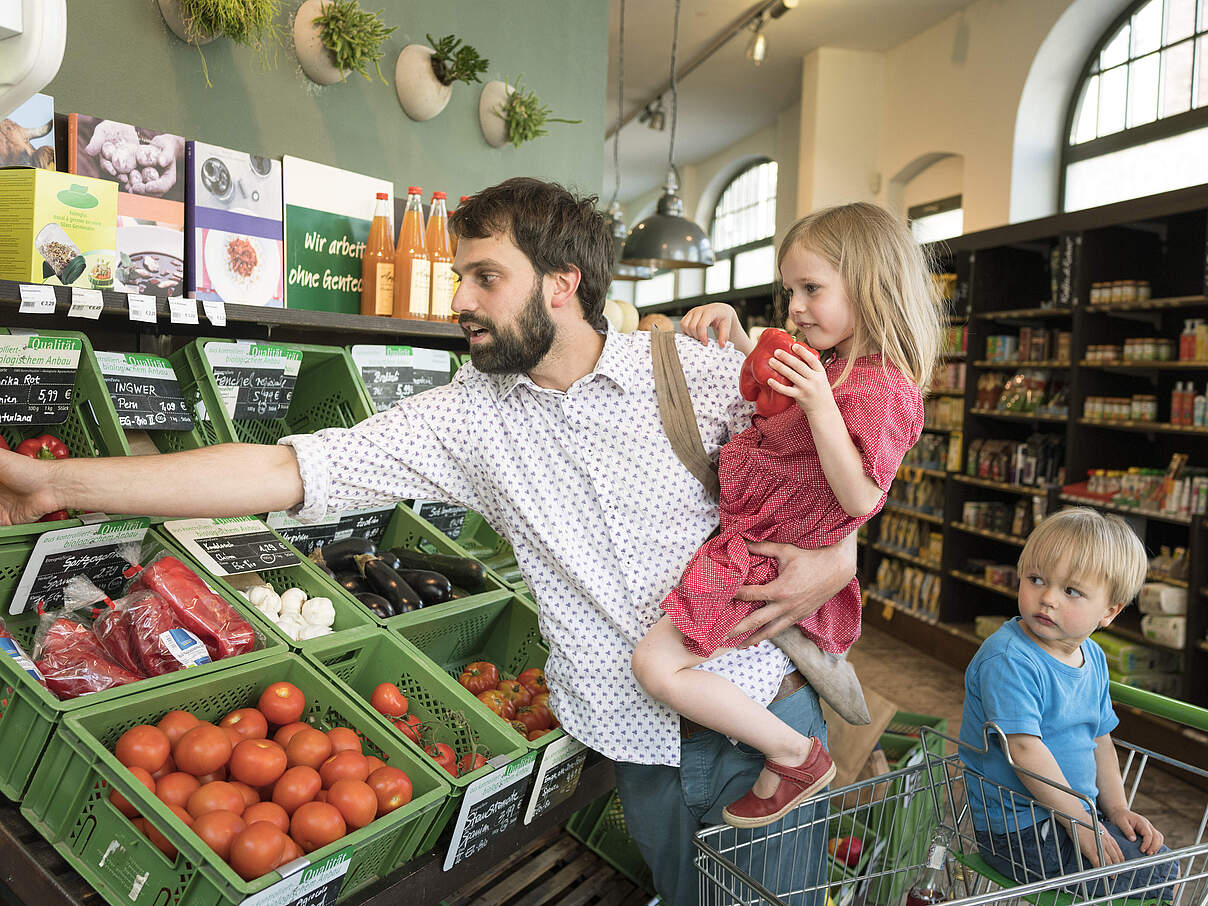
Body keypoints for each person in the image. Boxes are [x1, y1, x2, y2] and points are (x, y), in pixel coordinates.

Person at [0, 177, 854, 906]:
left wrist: (838, 558)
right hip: (638, 752)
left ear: (563, 282)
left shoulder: (696, 374)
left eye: (486, 277)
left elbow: (851, 463)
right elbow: (285, 469)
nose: (458, 302)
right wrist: (57, 483)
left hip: (763, 720)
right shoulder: (469, 419)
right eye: (459, 276)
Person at [631, 202, 941, 829]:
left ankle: (793, 753)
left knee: (654, 667)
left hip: (759, 555)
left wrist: (824, 405)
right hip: (757, 540)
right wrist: (743, 339)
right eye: (789, 290)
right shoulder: (830, 364)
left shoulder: (882, 387)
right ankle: (788, 755)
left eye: (812, 289)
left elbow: (859, 498)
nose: (795, 306)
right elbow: (781, 416)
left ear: (871, 286)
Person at [960, 507, 1178, 899]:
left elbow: (1100, 740)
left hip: (1071, 817)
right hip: (1021, 831)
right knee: (1157, 874)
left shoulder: (1092, 657)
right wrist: (1079, 823)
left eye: (1071, 591)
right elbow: (1024, 749)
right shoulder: (1010, 658)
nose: (1047, 599)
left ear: (1109, 612)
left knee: (1155, 859)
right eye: (1036, 579)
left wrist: (1116, 811)